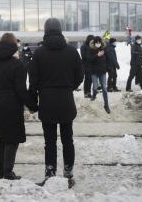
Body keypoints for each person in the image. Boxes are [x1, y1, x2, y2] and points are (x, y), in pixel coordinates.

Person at [29, 18, 83, 188]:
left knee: (50, 141)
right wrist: (69, 87)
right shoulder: (71, 51)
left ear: (45, 30)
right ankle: (68, 174)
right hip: (66, 100)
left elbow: (33, 79)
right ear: (60, 30)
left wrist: (38, 94)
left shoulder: (39, 53)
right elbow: (80, 75)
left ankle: (50, 173)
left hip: (47, 101)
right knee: (68, 140)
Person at [0, 33, 37, 180]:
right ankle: (8, 172)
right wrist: (32, 106)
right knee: (11, 139)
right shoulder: (17, 65)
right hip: (12, 105)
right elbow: (21, 90)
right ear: (13, 47)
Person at [89, 36, 111, 113]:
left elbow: (108, 59)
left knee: (104, 89)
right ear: (94, 43)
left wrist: (108, 68)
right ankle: (94, 95)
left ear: (101, 43)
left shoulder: (104, 50)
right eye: (96, 43)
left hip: (102, 72)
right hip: (94, 72)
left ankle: (106, 105)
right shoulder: (91, 50)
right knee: (95, 88)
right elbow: (89, 60)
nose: (98, 44)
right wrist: (97, 56)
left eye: (99, 42)